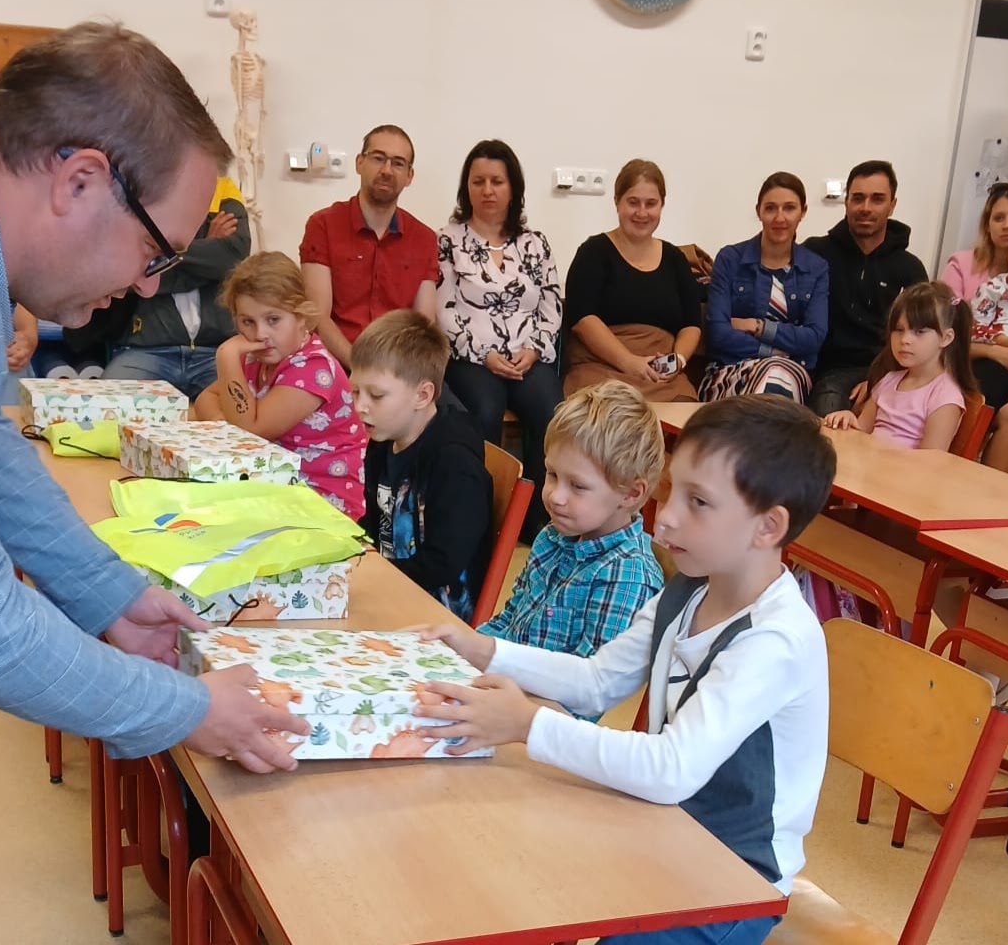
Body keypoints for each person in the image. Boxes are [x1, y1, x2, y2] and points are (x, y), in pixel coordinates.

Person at [0, 23, 309, 774]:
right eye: (155, 253)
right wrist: (188, 708)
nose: (145, 285)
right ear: (79, 180)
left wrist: (108, 591)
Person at [415, 395, 838, 945]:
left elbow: (671, 768)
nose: (667, 517)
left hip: (734, 879)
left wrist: (526, 724)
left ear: (767, 526)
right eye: (673, 491)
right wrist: (484, 651)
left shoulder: (774, 640)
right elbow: (596, 680)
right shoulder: (690, 589)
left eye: (698, 502)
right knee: (501, 872)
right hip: (663, 827)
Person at [478, 381, 665, 674]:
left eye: (577, 486)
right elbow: (510, 622)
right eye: (552, 474)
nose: (556, 496)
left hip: (536, 701)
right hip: (504, 683)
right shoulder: (551, 537)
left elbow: (587, 688)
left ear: (630, 494)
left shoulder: (628, 577)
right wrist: (464, 652)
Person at [437, 138, 563, 540]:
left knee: (551, 411)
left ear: (513, 188)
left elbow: (551, 303)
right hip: (471, 358)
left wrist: (534, 349)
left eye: (497, 181)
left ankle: (537, 521)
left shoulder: (534, 243)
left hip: (528, 356)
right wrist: (483, 354)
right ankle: (484, 519)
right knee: (484, 408)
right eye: (478, 182)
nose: (488, 190)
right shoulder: (448, 241)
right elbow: (444, 310)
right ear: (466, 188)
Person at [194, 251, 365, 520]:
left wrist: (226, 356)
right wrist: (226, 427)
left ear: (301, 316)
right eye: (247, 322)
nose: (260, 334)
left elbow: (250, 432)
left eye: (273, 320)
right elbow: (205, 398)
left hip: (321, 503)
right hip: (273, 487)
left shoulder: (314, 368)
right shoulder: (257, 356)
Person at [351, 310, 492, 622]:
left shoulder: (455, 464)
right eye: (355, 391)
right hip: (389, 590)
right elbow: (375, 525)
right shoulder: (381, 441)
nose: (360, 406)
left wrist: (368, 577)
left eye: (376, 395)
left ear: (422, 395)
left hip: (436, 617)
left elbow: (443, 564)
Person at [66, 176, 250, 398]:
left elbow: (230, 258)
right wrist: (207, 250)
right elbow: (133, 271)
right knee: (110, 402)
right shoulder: (139, 188)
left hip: (213, 353)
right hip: (147, 351)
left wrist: (156, 257)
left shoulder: (224, 189)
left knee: (243, 403)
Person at [299, 125, 438, 371]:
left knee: (448, 397)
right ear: (359, 163)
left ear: (409, 176)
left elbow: (423, 323)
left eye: (398, 163)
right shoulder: (323, 225)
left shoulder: (424, 239)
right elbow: (317, 317)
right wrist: (361, 367)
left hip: (397, 366)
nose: (386, 170)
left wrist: (395, 373)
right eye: (378, 158)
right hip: (334, 362)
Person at [563, 158, 702, 401]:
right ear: (617, 202)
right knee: (606, 416)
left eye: (651, 204)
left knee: (690, 417)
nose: (642, 213)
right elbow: (582, 319)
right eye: (633, 202)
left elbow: (692, 324)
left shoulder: (675, 258)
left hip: (663, 377)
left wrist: (677, 361)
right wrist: (629, 362)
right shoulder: (593, 251)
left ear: (662, 205)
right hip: (601, 368)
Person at [805, 160, 928, 416]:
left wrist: (879, 378)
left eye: (877, 199)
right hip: (821, 368)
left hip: (887, 369)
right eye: (858, 198)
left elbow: (921, 336)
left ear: (892, 205)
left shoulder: (910, 268)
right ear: (846, 202)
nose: (866, 208)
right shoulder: (815, 253)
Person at [700, 172, 829, 403]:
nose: (780, 217)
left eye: (789, 208)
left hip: (792, 374)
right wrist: (777, 353)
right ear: (759, 211)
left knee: (777, 375)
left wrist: (758, 327)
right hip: (729, 371)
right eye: (770, 208)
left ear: (803, 212)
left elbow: (814, 337)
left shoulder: (816, 268)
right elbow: (718, 334)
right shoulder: (730, 259)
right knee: (774, 375)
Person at [824, 282, 975, 451]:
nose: (905, 340)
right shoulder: (888, 380)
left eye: (919, 332)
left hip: (899, 468)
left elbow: (931, 461)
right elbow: (862, 432)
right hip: (867, 463)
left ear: (946, 338)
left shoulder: (945, 395)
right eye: (899, 330)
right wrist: (849, 419)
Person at [969, 225, 1008, 475]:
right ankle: (976, 435)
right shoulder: (994, 289)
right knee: (993, 374)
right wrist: (1004, 341)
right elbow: (973, 329)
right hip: (994, 360)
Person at [942, 182, 1008, 304]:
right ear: (987, 225)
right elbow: (946, 313)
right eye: (998, 218)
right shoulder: (960, 265)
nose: (1007, 225)